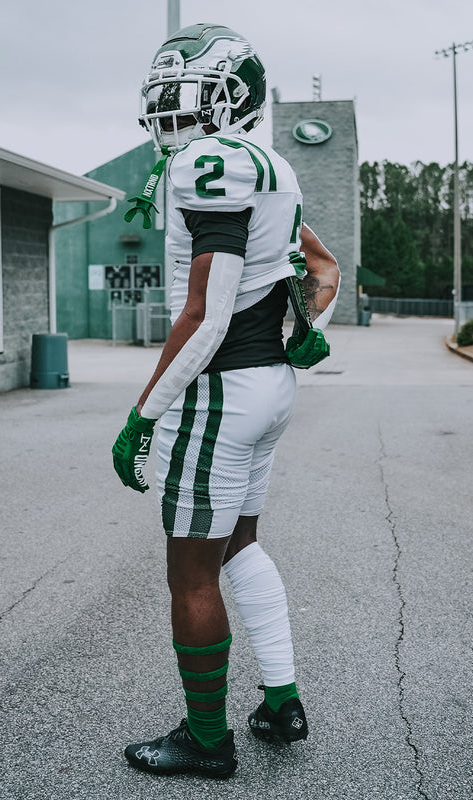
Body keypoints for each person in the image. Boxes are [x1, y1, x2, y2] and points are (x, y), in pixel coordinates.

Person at [111, 23, 340, 779]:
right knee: (239, 541)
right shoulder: (271, 165)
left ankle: (207, 741)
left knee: (191, 571)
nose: (172, 116)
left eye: (188, 99)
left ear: (233, 100)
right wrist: (302, 322)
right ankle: (281, 701)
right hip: (268, 385)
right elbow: (322, 264)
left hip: (219, 390)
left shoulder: (209, 163)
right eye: (165, 101)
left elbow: (205, 314)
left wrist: (143, 415)